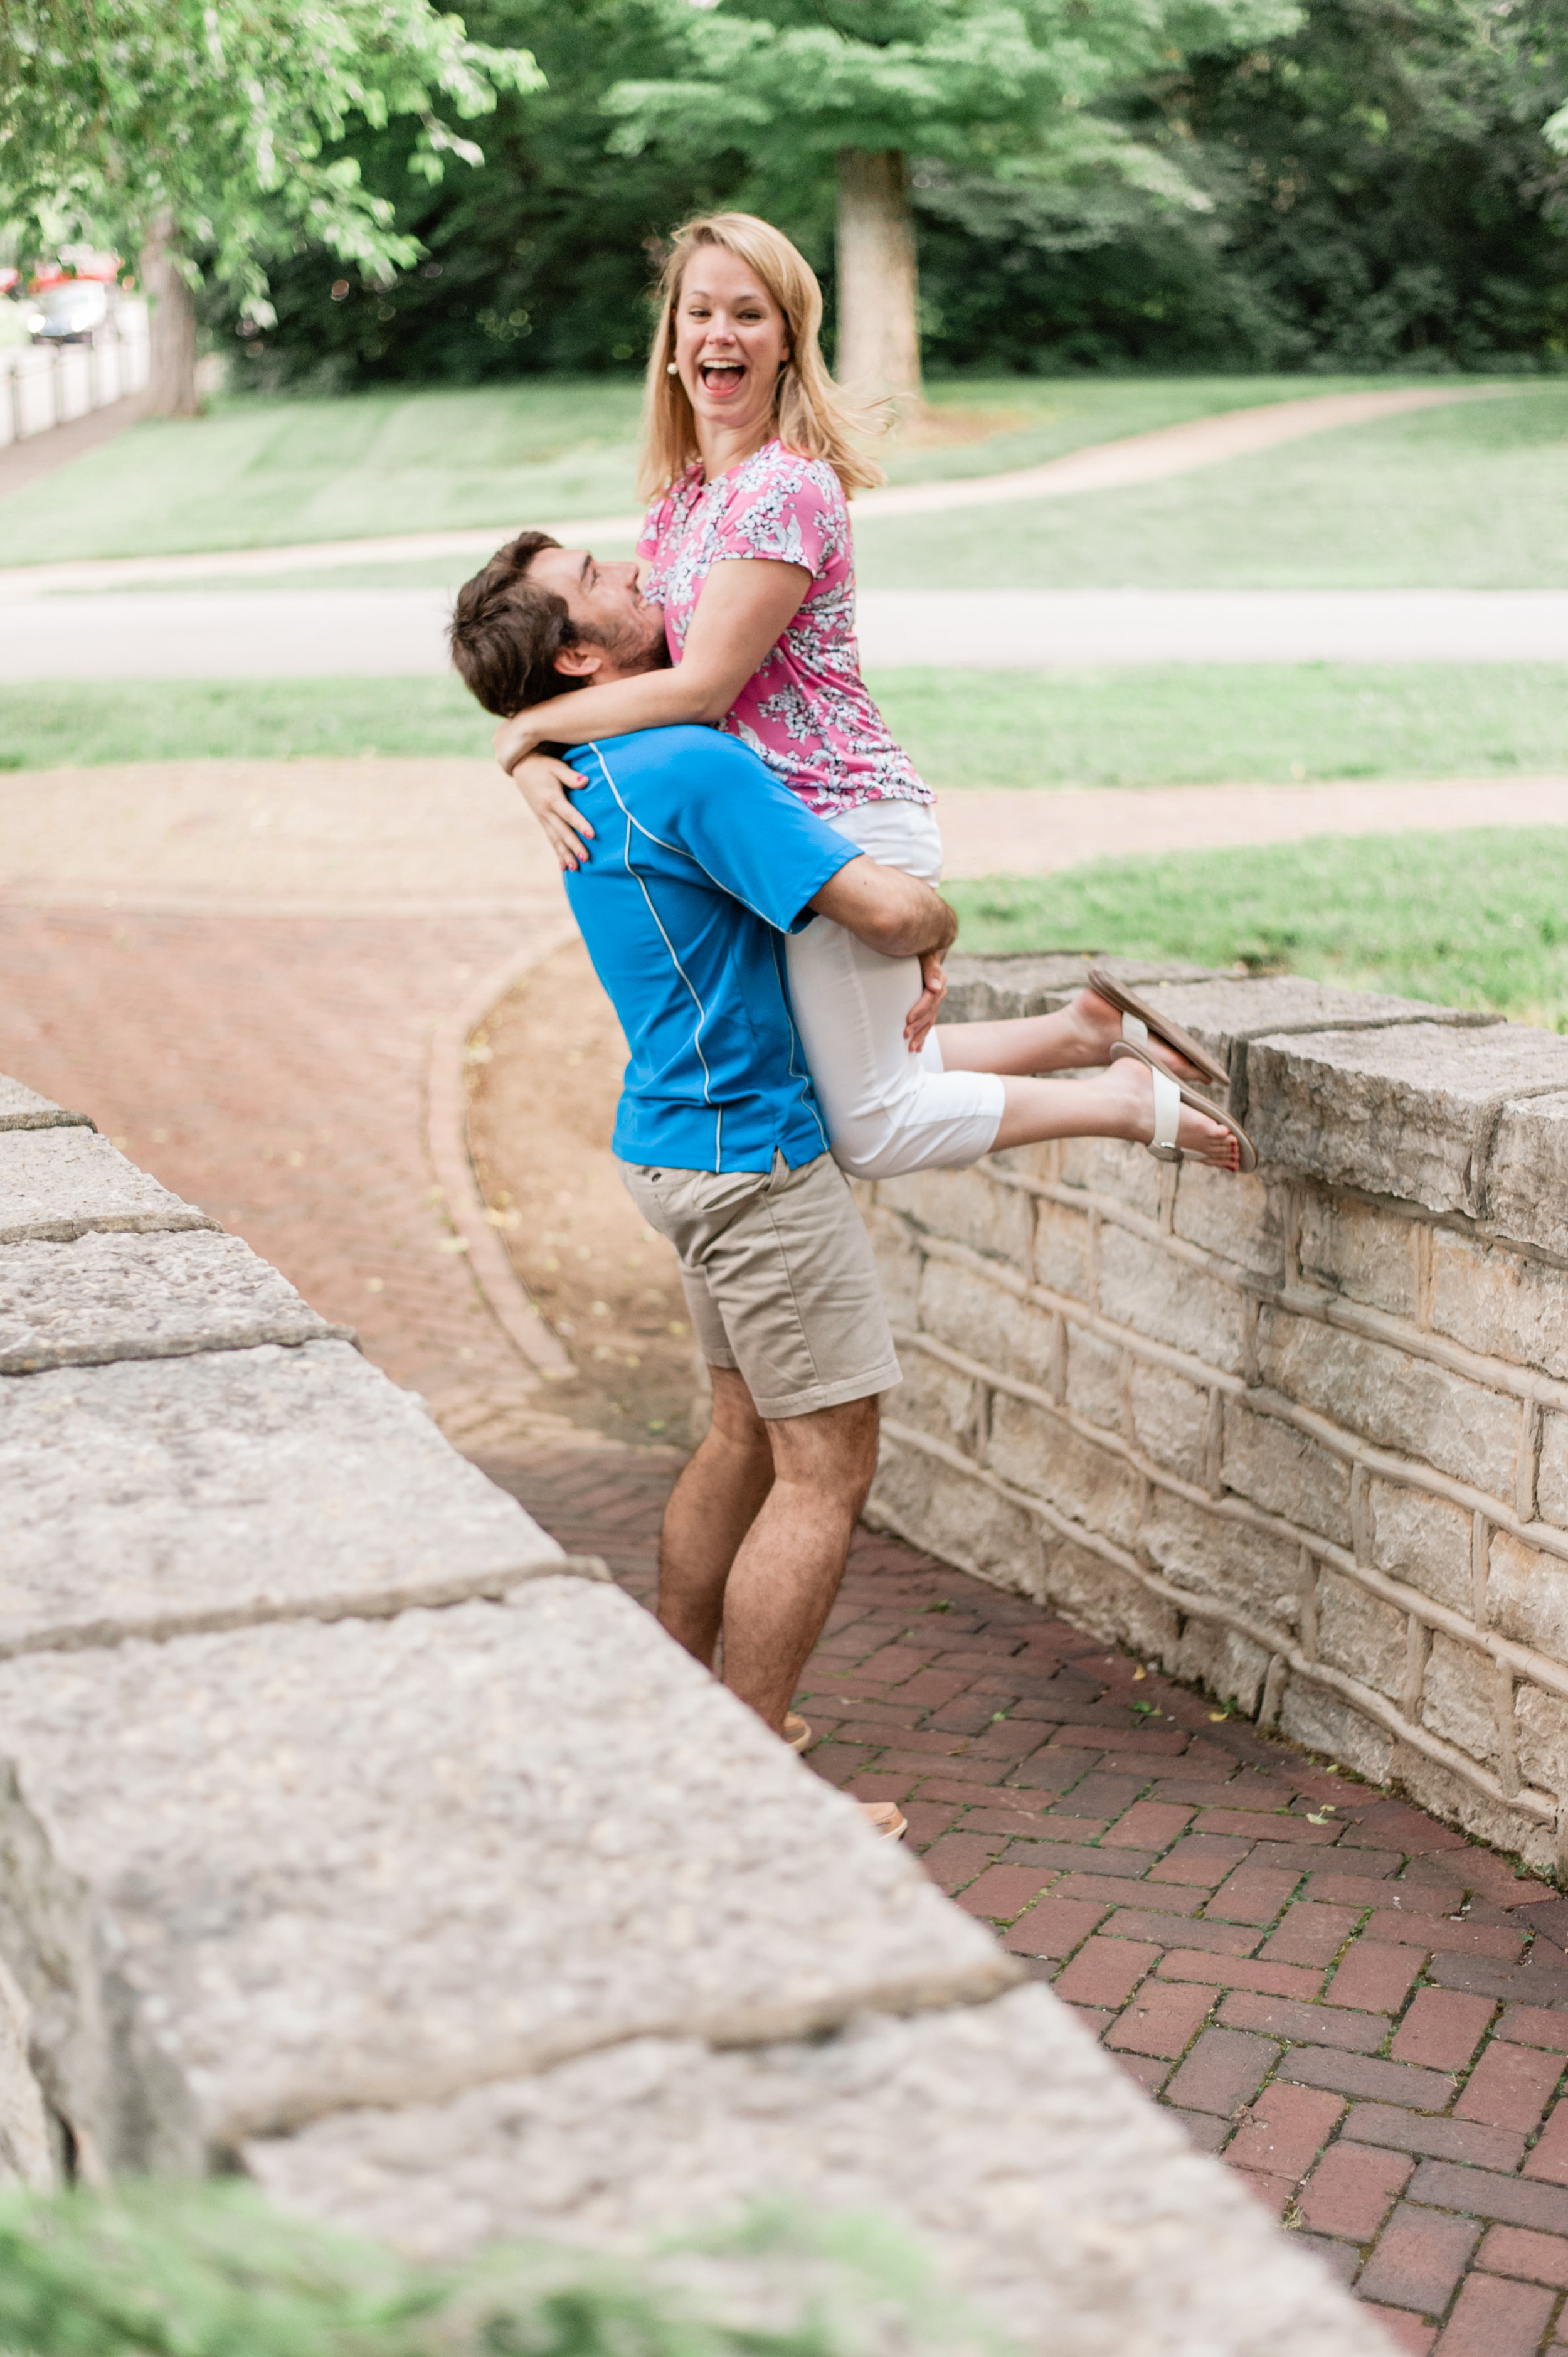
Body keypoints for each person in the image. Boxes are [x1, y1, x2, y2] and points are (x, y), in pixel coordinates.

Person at [447, 560, 1251, 1846]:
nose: (631, 564)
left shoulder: (594, 773)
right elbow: (880, 909)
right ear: (582, 662)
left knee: (735, 1437)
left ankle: (689, 1711)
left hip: (673, 1141)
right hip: (754, 1169)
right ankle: (750, 1774)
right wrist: (937, 909)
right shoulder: (689, 772)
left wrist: (519, 746)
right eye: (594, 578)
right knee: (825, 1470)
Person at [484, 209, 1247, 1181]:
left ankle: (1125, 1100)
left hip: (846, 819)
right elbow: (615, 666)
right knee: (866, 1067)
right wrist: (530, 759)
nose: (721, 334)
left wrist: (529, 731)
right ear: (671, 341)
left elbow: (703, 683)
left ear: (789, 343)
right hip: (778, 830)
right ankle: (1082, 1030)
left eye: (750, 315)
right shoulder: (679, 499)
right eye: (701, 312)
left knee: (874, 1128)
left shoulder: (784, 490)